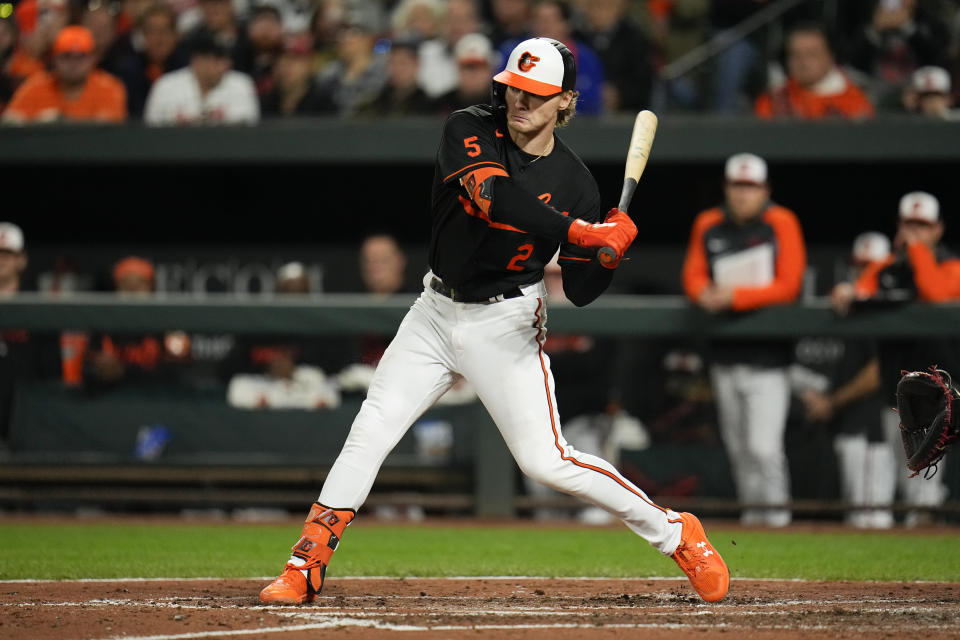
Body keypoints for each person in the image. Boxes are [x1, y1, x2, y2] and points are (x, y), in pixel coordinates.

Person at [259, 36, 728, 606]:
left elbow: (580, 291)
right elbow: (495, 198)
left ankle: (679, 533)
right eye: (513, 90)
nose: (519, 102)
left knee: (545, 462)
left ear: (565, 102)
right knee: (372, 428)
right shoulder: (468, 126)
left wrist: (607, 254)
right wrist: (582, 233)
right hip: (434, 310)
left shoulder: (578, 182)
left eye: (535, 94)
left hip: (506, 321)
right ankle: (305, 564)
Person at [682, 152, 807, 527]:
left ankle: (777, 521)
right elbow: (693, 276)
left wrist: (734, 297)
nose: (743, 194)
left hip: (769, 358)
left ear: (764, 190)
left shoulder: (780, 221)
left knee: (763, 449)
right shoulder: (709, 222)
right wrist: (704, 292)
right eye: (737, 185)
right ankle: (754, 522)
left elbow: (789, 285)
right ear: (727, 187)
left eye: (750, 186)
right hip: (724, 354)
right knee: (739, 451)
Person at [832, 191, 960, 526]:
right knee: (900, 467)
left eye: (923, 225)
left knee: (926, 474)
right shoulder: (888, 267)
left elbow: (935, 293)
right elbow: (858, 289)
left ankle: (930, 542)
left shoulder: (951, 266)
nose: (915, 231)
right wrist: (848, 292)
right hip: (895, 383)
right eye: (909, 224)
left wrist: (916, 249)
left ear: (938, 229)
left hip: (938, 388)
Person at [792, 232, 894, 529]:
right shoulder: (854, 309)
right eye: (859, 265)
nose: (863, 272)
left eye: (871, 266)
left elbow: (877, 372)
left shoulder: (883, 311)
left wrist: (832, 402)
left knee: (872, 516)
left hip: (873, 426)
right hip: (852, 422)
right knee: (860, 515)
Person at [3, 25, 127, 123]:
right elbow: (9, 120)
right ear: (55, 59)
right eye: (66, 56)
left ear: (93, 59)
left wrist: (61, 122)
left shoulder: (109, 87)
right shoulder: (38, 85)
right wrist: (37, 122)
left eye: (80, 57)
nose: (73, 64)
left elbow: (108, 129)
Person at [754, 22, 874, 120]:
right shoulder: (774, 100)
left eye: (812, 54)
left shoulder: (856, 102)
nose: (803, 62)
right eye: (795, 55)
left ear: (831, 57)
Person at [144, 31, 259, 125]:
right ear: (197, 60)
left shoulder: (241, 84)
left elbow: (247, 126)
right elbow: (151, 130)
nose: (225, 66)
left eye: (226, 59)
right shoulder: (166, 86)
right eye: (216, 60)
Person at [580, 0, 655, 113]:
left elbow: (644, 84)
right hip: (583, 112)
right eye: (595, 6)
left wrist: (620, 95)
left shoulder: (634, 39)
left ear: (619, 9)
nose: (600, 12)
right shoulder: (579, 38)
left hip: (626, 113)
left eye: (606, 6)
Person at [354, 36, 434, 116]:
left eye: (403, 63)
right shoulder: (373, 104)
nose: (397, 69)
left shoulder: (430, 106)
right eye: (392, 63)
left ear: (417, 65)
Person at [260, 33, 335, 117]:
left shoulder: (324, 105)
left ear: (309, 65)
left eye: (293, 60)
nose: (285, 67)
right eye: (279, 60)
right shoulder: (265, 103)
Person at [433, 32, 499, 116]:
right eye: (466, 67)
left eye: (479, 67)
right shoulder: (440, 105)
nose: (472, 74)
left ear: (491, 70)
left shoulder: (503, 105)